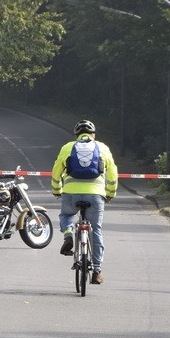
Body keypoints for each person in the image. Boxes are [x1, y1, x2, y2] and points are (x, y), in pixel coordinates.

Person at [51, 120, 118, 285]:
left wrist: (57, 190)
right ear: (93, 134)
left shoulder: (67, 147)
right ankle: (96, 271)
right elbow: (113, 173)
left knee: (66, 214)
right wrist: (110, 193)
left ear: (76, 135)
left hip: (71, 194)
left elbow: (56, 170)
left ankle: (68, 235)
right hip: (95, 195)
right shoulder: (102, 148)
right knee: (96, 231)